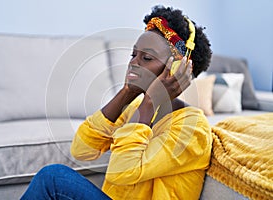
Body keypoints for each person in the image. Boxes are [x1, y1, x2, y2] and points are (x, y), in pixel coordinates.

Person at [21, 5, 212, 200]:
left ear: (177, 69)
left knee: (53, 179)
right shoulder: (132, 111)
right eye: (133, 55)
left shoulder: (192, 128)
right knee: (52, 177)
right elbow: (81, 150)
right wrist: (127, 92)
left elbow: (122, 171)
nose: (134, 62)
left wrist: (151, 101)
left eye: (146, 57)